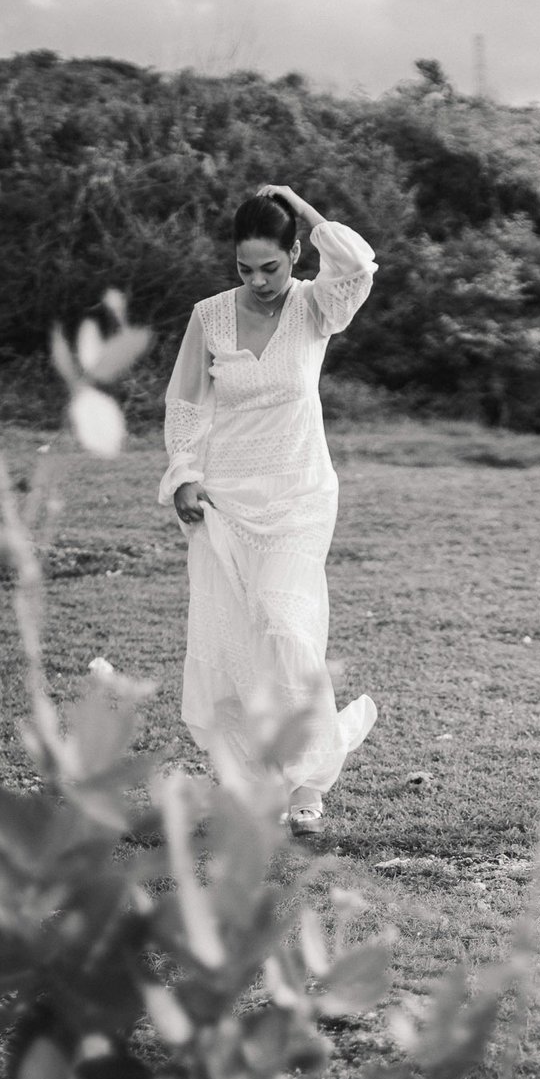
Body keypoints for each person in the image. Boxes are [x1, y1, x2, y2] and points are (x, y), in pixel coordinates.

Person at [158, 184, 378, 837]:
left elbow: (359, 264)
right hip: (226, 499)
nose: (258, 280)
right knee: (240, 645)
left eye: (271, 266)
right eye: (244, 268)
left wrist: (303, 207)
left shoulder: (317, 306)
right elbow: (187, 404)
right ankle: (262, 781)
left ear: (295, 253)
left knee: (286, 624)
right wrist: (184, 476)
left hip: (300, 494)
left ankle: (311, 775)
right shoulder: (209, 317)